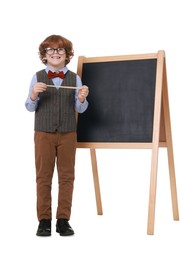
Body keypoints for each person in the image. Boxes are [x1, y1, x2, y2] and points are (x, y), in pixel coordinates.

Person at [25, 35, 89, 236]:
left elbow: (81, 107)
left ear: (67, 54)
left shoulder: (75, 78)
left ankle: (63, 220)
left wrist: (81, 98)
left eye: (59, 50)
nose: (55, 53)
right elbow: (29, 106)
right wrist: (33, 94)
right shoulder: (37, 76)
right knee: (43, 177)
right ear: (44, 54)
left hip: (68, 133)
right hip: (43, 133)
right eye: (50, 50)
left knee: (67, 177)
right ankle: (44, 220)